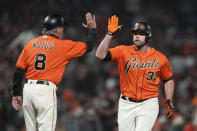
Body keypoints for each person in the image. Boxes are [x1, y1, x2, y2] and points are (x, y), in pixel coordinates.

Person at [12, 12, 96, 131]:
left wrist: (16, 93)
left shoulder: (31, 44)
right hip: (45, 91)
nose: (62, 30)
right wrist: (92, 29)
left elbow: (18, 71)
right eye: (62, 27)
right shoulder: (63, 45)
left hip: (28, 91)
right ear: (57, 29)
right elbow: (89, 45)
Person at [96, 15, 175, 131]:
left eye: (141, 33)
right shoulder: (123, 51)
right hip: (126, 104)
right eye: (135, 33)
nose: (137, 36)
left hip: (149, 104)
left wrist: (169, 99)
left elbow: (168, 80)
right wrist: (109, 35)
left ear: (148, 36)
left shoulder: (160, 58)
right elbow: (100, 55)